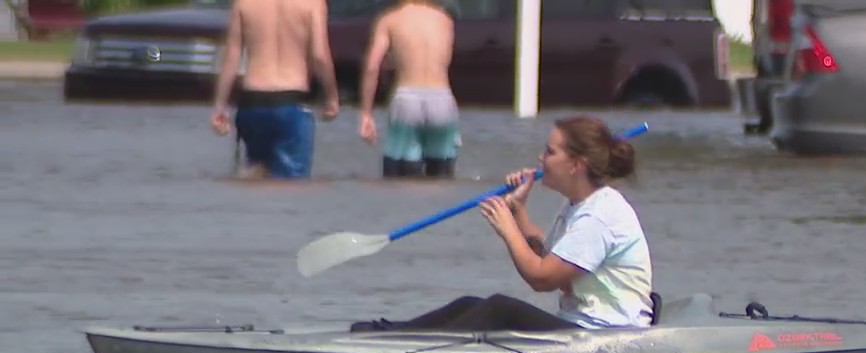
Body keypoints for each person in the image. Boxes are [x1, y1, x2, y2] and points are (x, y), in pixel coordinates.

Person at [351, 116, 654, 333]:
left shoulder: (600, 215)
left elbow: (542, 279)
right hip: (583, 326)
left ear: (576, 165)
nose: (540, 157)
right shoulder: (578, 205)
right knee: (469, 303)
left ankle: (405, 349)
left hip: (609, 333)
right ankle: (392, 333)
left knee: (500, 308)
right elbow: (555, 265)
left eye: (550, 152)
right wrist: (518, 209)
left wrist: (508, 228)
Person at [209, 0, 340, 179]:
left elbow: (232, 56)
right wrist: (332, 97)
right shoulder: (313, 4)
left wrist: (219, 105)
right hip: (291, 103)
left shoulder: (244, 3)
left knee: (255, 179)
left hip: (251, 104)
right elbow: (319, 55)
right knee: (291, 188)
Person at [358, 0, 460, 179]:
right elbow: (445, 60)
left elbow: (372, 67)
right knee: (441, 178)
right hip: (442, 98)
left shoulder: (389, 20)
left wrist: (366, 113)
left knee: (400, 181)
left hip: (407, 99)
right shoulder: (445, 20)